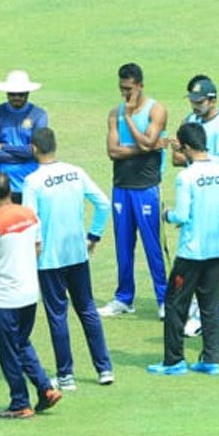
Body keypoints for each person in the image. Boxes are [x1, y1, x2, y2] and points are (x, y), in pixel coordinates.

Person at [0, 172, 62, 419]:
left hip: (6, 298)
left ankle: (20, 403)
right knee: (22, 342)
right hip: (30, 293)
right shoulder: (30, 215)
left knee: (8, 351)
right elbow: (38, 247)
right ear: (9, 190)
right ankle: (46, 389)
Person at [21, 128, 114, 391]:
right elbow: (103, 203)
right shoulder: (76, 172)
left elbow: (30, 221)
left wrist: (30, 254)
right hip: (77, 253)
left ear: (34, 148)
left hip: (49, 259)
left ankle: (66, 376)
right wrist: (93, 236)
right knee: (87, 309)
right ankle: (104, 368)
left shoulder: (33, 181)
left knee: (57, 315)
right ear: (55, 145)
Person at [148, 123, 219, 376]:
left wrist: (167, 215)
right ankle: (211, 359)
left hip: (191, 252)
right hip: (215, 249)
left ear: (186, 147)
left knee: (175, 303)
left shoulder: (186, 177)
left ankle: (173, 360)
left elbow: (182, 215)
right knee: (210, 305)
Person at [0, 70, 50, 321]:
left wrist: (3, 148)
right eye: (13, 94)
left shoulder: (38, 115)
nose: (16, 98)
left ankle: (33, 292)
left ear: (27, 93)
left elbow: (36, 150)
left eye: (20, 94)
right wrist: (22, 151)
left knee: (34, 243)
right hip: (1, 191)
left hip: (28, 189)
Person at [98, 62, 169, 320]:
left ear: (140, 85)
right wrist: (147, 147)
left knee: (153, 247)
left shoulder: (156, 110)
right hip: (121, 187)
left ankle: (164, 299)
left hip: (146, 187)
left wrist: (130, 120)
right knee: (123, 246)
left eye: (129, 89)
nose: (125, 94)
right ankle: (124, 298)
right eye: (122, 89)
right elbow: (113, 152)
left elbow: (149, 141)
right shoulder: (113, 113)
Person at [177, 75, 219, 336]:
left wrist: (195, 157)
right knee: (201, 251)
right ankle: (205, 303)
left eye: (199, 101)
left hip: (218, 196)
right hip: (198, 195)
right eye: (192, 100)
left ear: (212, 100)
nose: (194, 105)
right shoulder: (191, 121)